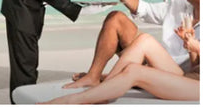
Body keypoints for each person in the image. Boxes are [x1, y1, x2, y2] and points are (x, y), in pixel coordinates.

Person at [65, 0, 200, 88]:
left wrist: (193, 47)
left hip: (177, 75)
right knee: (116, 18)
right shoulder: (178, 6)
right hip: (151, 60)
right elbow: (145, 9)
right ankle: (93, 76)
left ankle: (113, 80)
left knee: (146, 40)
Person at [40, 28, 200, 104]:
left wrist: (198, 47)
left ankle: (74, 101)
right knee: (145, 40)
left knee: (134, 71)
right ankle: (104, 91)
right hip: (189, 78)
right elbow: (196, 66)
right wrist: (192, 48)